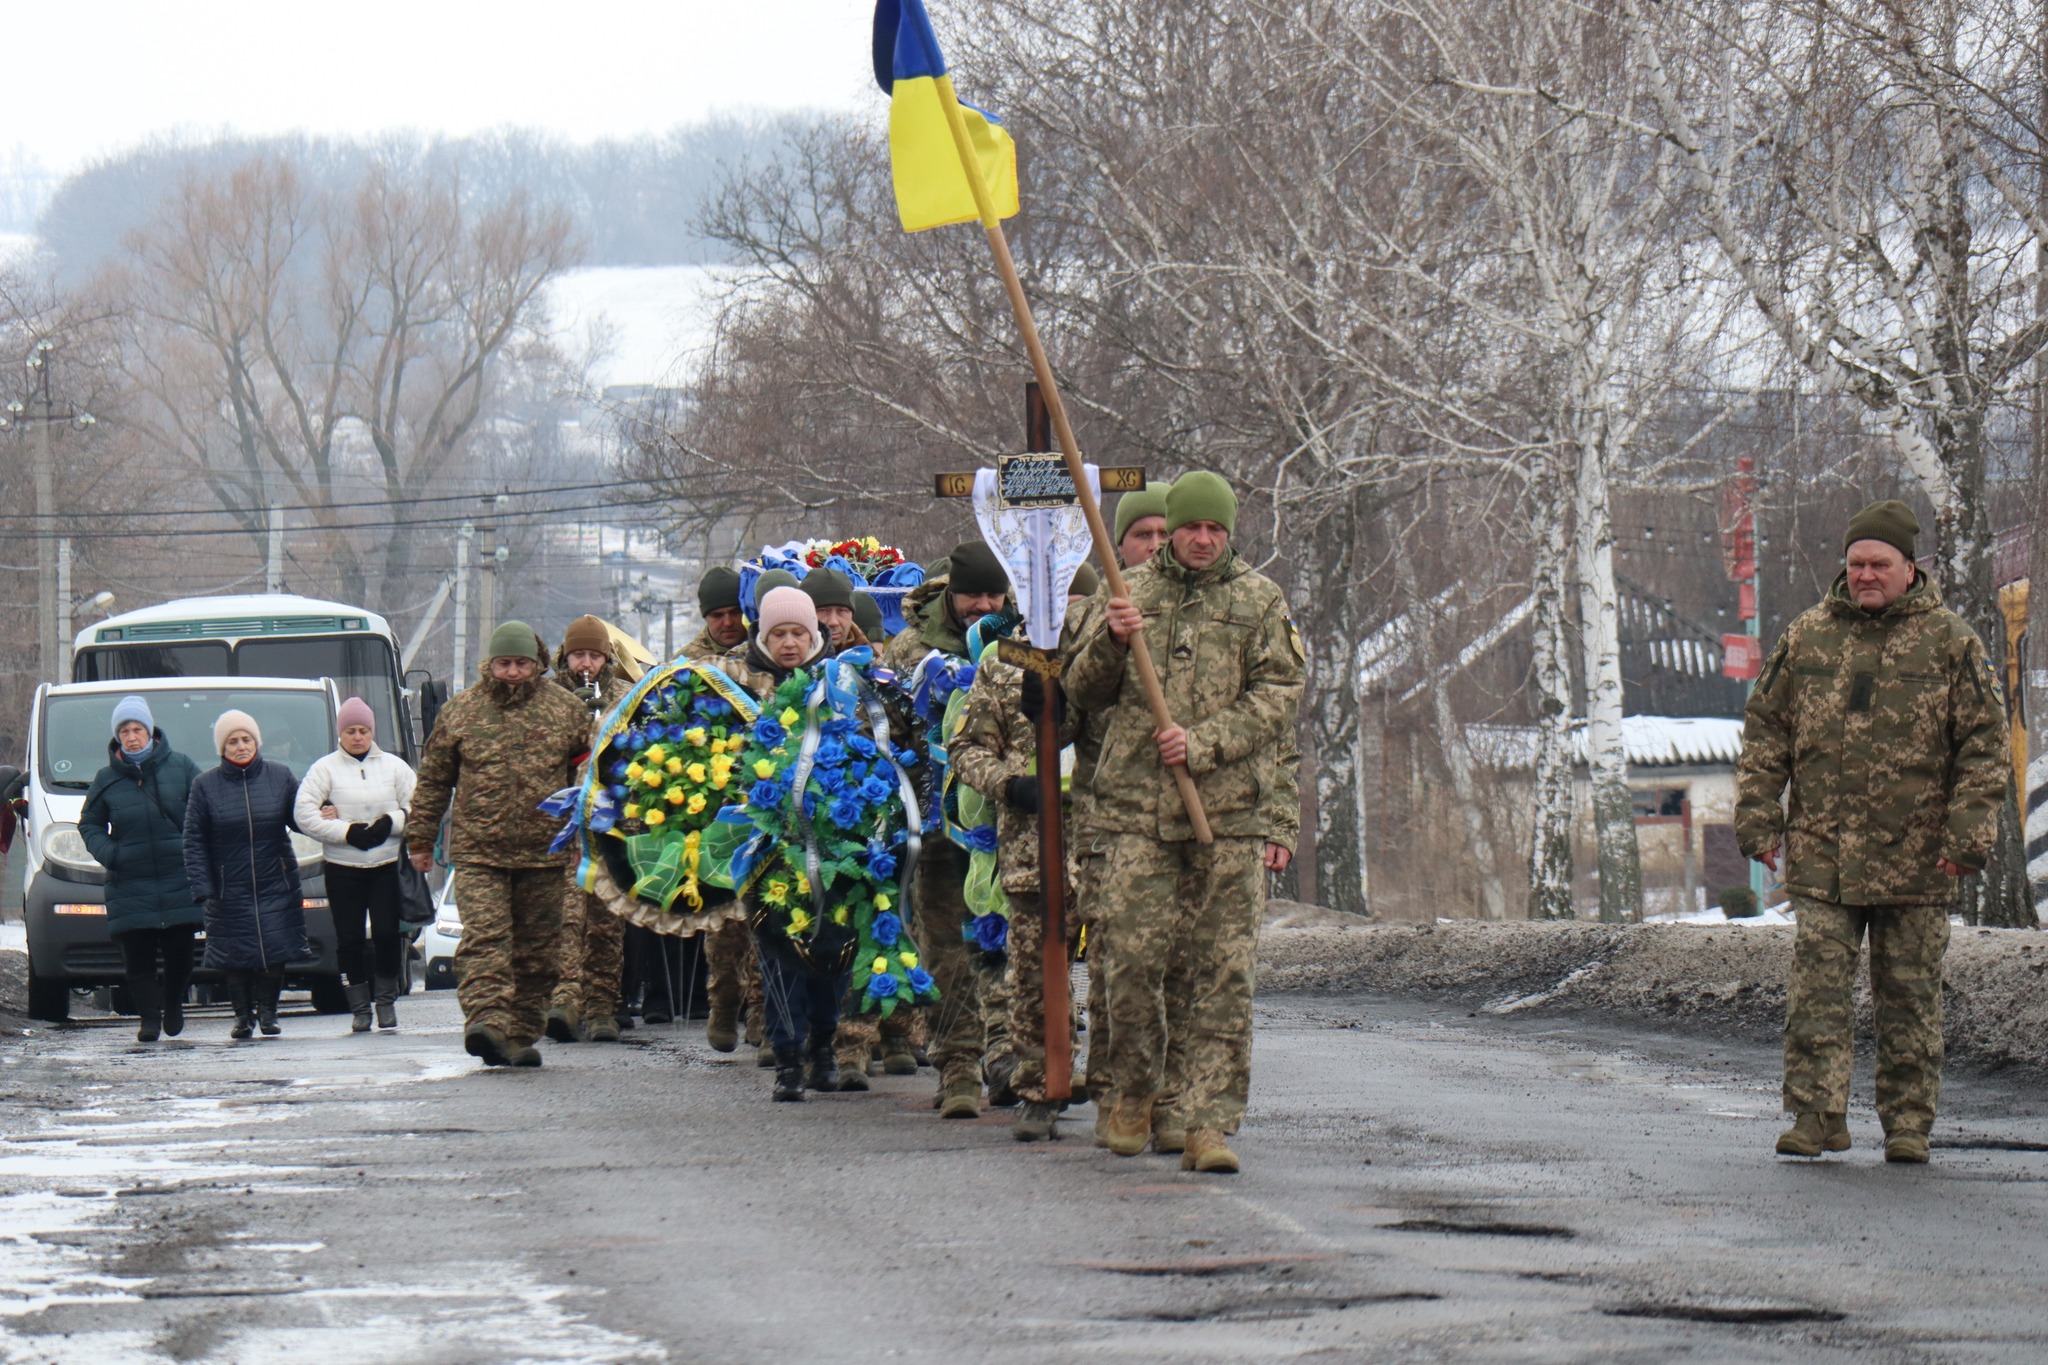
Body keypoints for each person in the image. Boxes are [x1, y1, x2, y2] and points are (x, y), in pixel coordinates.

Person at [1736, 500, 2009, 1165]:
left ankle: (1908, 1123)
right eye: (1855, 563)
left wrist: (1967, 835)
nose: (1865, 575)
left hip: (1915, 859)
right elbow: (1766, 731)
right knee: (1817, 990)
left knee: (1909, 997)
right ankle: (1816, 1114)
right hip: (1823, 855)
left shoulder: (1951, 642)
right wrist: (1758, 817)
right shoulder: (1807, 637)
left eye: (1878, 564)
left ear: (1908, 568)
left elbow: (1984, 744)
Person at [1064, 472, 1304, 1173]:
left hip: (1226, 815)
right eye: (1191, 527)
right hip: (1135, 813)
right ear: (1171, 528)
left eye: (1215, 529)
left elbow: (1281, 694)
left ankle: (1208, 1122)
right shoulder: (1130, 594)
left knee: (1221, 975)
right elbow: (1078, 694)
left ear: (1229, 532)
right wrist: (1110, 641)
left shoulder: (1259, 601)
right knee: (1131, 965)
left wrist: (1206, 743)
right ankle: (1136, 1094)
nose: (1202, 540)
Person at [410, 622, 592, 1069]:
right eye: (504, 663)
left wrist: (584, 837)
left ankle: (520, 1032)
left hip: (544, 853)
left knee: (539, 951)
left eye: (522, 663)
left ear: (538, 664)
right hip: (479, 854)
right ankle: (486, 1021)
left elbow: (588, 780)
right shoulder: (461, 712)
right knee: (486, 941)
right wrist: (420, 838)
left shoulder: (566, 711)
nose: (513, 672)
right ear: (489, 664)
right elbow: (434, 781)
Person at [881, 541, 1015, 1118]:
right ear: (950, 593)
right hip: (936, 823)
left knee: (1008, 940)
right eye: (971, 594)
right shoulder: (911, 647)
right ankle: (958, 1066)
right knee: (945, 948)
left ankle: (1009, 1056)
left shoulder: (1026, 639)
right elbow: (885, 728)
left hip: (1006, 819)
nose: (982, 604)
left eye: (993, 594)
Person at [1071, 481, 1169, 1143]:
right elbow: (1067, 706)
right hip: (1109, 815)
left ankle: (1171, 1099)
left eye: (1167, 534)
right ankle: (1113, 1088)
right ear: (1118, 543)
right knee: (1116, 955)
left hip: (1187, 810)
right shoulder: (1094, 617)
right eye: (1143, 536)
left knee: (1178, 962)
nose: (1156, 547)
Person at [725, 587, 852, 1099]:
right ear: (763, 637)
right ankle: (787, 1060)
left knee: (833, 951)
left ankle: (824, 1048)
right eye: (779, 634)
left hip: (834, 841)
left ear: (814, 636)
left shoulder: (841, 683)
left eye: (799, 633)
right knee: (779, 953)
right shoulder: (741, 687)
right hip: (769, 847)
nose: (790, 643)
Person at [80, 697, 204, 1043]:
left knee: (181, 952)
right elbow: (89, 824)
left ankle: (173, 1003)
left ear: (150, 731)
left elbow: (206, 809)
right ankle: (149, 1019)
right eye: (124, 731)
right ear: (117, 737)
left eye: (137, 729)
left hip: (178, 876)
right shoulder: (105, 779)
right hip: (129, 882)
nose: (132, 737)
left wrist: (194, 850)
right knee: (138, 958)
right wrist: (112, 854)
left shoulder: (181, 766)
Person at [183, 710, 311, 1040]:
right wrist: (202, 885)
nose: (241, 746)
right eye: (233, 741)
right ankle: (242, 1017)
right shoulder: (204, 786)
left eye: (246, 739)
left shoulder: (280, 777)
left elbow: (301, 818)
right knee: (235, 954)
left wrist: (325, 810)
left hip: (276, 880)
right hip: (228, 886)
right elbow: (193, 839)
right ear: (221, 748)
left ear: (257, 742)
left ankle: (268, 1013)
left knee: (275, 949)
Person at [295, 697, 416, 1032]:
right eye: (351, 731)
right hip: (342, 867)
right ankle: (360, 1007)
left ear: (372, 732)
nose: (358, 737)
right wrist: (346, 832)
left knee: (387, 933)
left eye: (363, 730)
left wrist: (389, 823)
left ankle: (386, 1002)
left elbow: (419, 806)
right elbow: (303, 814)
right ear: (341, 734)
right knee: (348, 939)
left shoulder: (394, 767)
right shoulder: (324, 769)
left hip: (386, 864)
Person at [545, 615, 636, 1044]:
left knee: (607, 919)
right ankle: (565, 997)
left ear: (607, 658)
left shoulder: (627, 697)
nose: (586, 663)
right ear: (565, 657)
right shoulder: (549, 698)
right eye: (578, 654)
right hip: (564, 827)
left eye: (594, 655)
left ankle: (603, 1006)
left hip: (612, 823)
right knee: (566, 916)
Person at [684, 566, 750, 662]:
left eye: (735, 612)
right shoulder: (686, 663)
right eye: (717, 615)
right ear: (705, 617)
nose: (728, 623)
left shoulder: (766, 651)